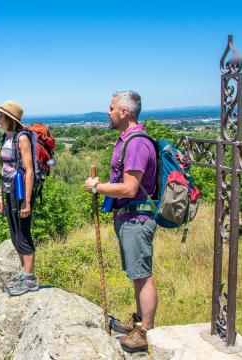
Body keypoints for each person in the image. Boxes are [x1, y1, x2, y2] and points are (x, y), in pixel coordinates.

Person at [84, 91, 157, 353]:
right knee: (136, 273)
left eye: (112, 107)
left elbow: (129, 188)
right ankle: (138, 320)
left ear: (124, 112)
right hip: (130, 217)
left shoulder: (136, 144)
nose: (108, 112)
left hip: (137, 217)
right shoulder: (128, 140)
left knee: (142, 275)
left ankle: (144, 330)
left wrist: (97, 187)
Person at [0, 100, 39, 296]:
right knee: (14, 235)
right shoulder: (6, 137)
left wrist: (27, 201)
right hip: (8, 190)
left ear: (9, 119)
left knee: (23, 233)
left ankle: (30, 280)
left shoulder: (22, 139)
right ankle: (24, 274)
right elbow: (4, 168)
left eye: (0, 115)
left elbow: (29, 171)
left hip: (21, 193)